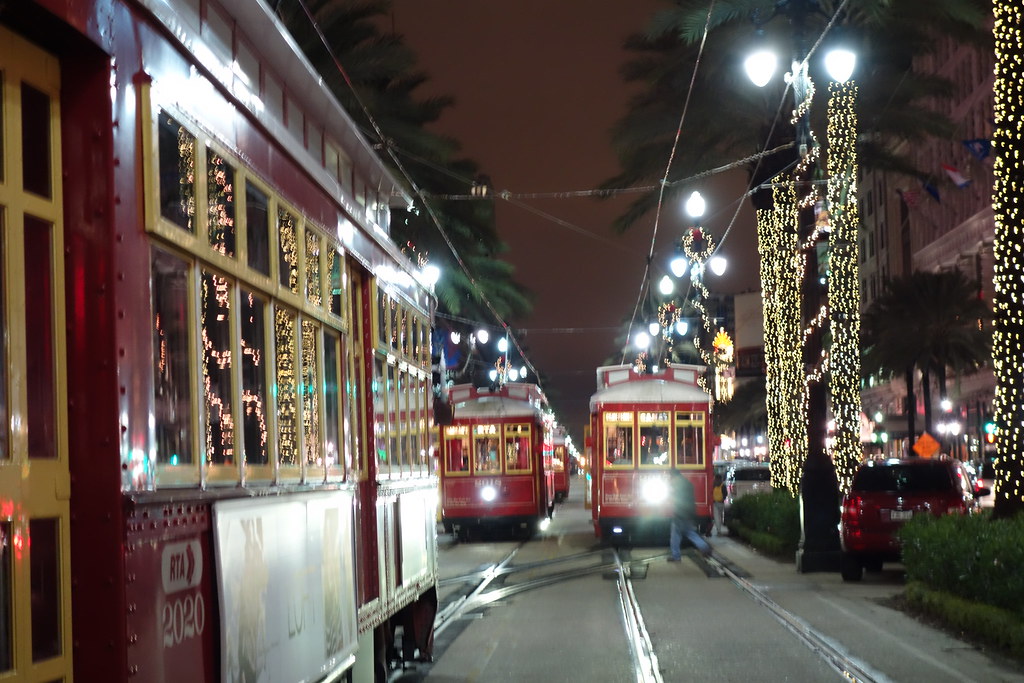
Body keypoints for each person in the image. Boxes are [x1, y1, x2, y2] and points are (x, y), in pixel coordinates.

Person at [667, 469, 696, 562]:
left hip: (680, 513)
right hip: (688, 512)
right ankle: (704, 546)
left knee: (677, 535)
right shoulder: (686, 482)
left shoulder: (676, 483)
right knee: (688, 532)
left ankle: (676, 556)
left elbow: (676, 498)